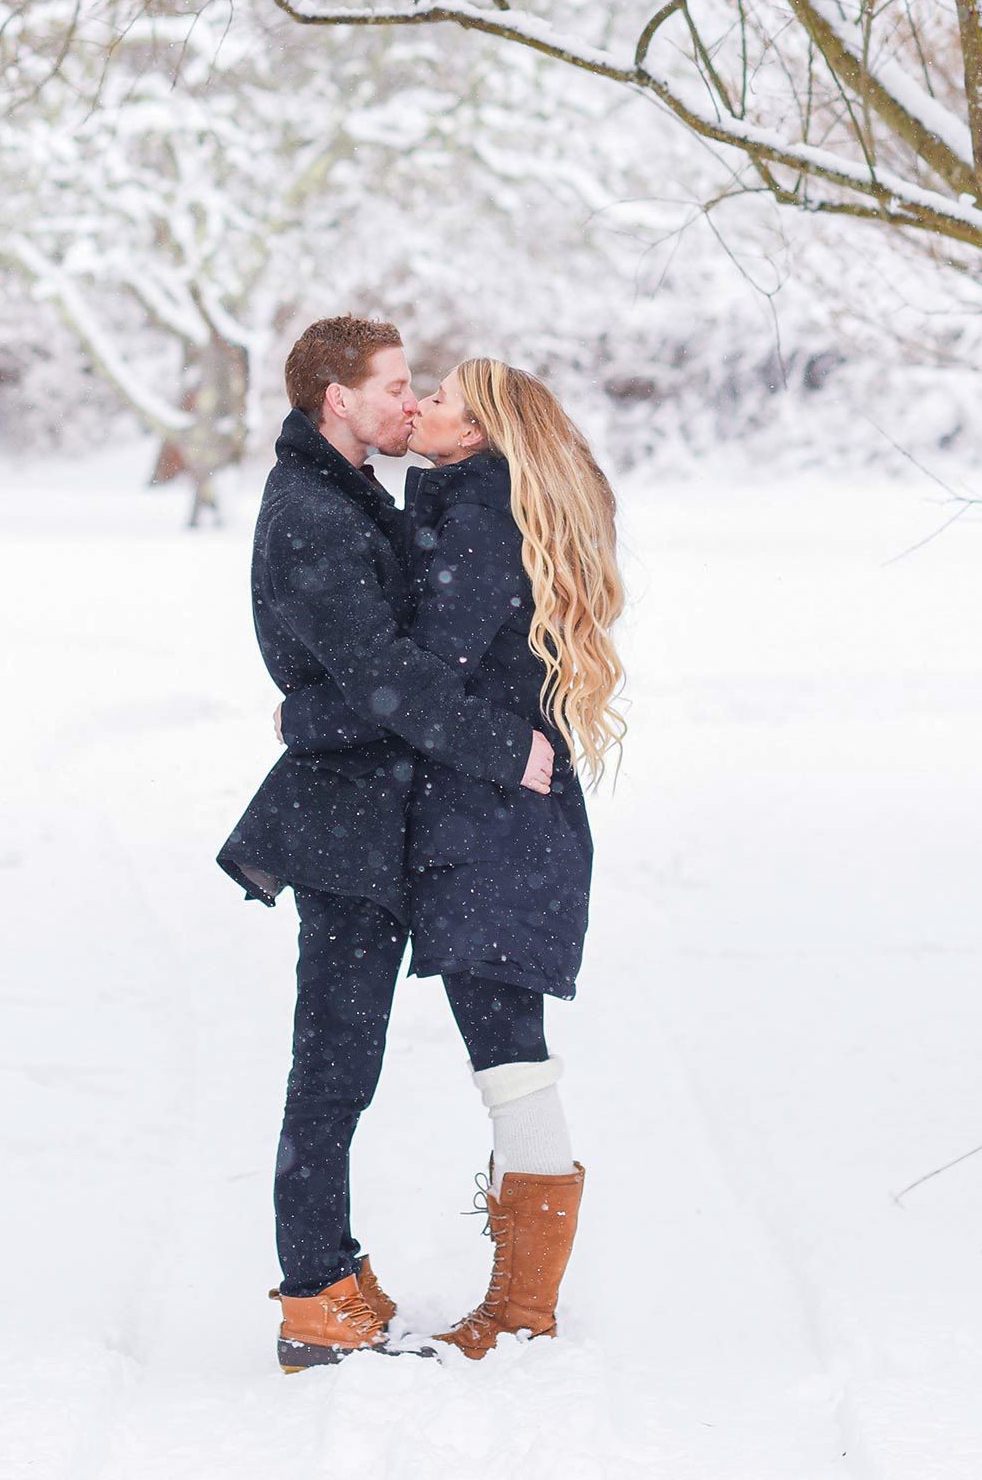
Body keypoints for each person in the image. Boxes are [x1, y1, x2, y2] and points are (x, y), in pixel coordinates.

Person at [217, 317, 556, 1373]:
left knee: (344, 1063)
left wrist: (308, 716)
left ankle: (331, 1273)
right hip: (343, 828)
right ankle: (314, 1296)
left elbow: (394, 661)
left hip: (376, 809)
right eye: (398, 386)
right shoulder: (313, 513)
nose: (412, 402)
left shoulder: (355, 489)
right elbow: (389, 682)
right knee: (332, 1067)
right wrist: (504, 746)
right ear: (338, 398)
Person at [278, 357, 625, 1360]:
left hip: (494, 828)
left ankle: (520, 1309)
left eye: (439, 399)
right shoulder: (473, 507)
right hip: (495, 822)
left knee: (510, 1062)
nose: (420, 403)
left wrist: (306, 716)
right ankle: (519, 1301)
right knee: (510, 1056)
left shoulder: (477, 519)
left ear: (473, 435)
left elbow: (424, 677)